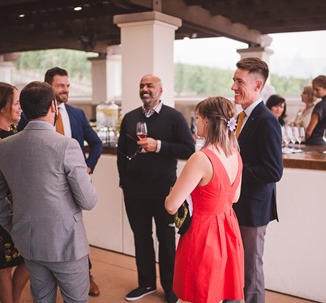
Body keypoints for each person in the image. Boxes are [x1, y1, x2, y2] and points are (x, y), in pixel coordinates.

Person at [0, 81, 98, 303]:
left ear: (24, 108)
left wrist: (14, 224)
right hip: (67, 245)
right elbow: (88, 200)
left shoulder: (6, 146)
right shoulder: (67, 145)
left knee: (42, 299)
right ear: (53, 107)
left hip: (29, 241)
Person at [18, 67, 103, 296]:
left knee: (75, 233)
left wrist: (87, 168)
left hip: (74, 185)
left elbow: (96, 143)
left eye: (67, 85)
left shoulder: (76, 114)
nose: (65, 90)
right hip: (43, 191)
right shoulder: (28, 117)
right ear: (48, 87)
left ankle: (86, 274)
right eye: (60, 86)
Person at [117, 74, 194, 303]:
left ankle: (171, 288)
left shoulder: (174, 117)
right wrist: (124, 183)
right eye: (142, 85)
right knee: (141, 238)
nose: (145, 89)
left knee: (167, 239)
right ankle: (146, 284)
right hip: (134, 192)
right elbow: (122, 153)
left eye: (150, 85)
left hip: (165, 191)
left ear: (160, 90)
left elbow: (188, 149)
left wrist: (158, 146)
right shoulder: (130, 118)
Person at [165, 96, 244, 303]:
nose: (196, 122)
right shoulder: (235, 153)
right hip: (228, 231)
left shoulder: (201, 158)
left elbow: (172, 205)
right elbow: (234, 197)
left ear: (208, 121)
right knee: (217, 294)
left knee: (197, 294)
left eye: (198, 117)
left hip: (204, 234)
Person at [231, 57, 283, 303]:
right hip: (234, 205)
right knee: (233, 266)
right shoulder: (240, 117)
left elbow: (273, 171)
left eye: (239, 81)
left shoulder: (266, 120)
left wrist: (235, 169)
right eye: (233, 80)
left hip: (253, 208)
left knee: (250, 271)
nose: (233, 87)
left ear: (257, 85)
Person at [0, 82, 29, 303]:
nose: (21, 108)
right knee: (4, 265)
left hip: (23, 208)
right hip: (0, 210)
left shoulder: (17, 133)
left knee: (28, 259)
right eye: (17, 103)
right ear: (2, 106)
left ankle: (14, 300)